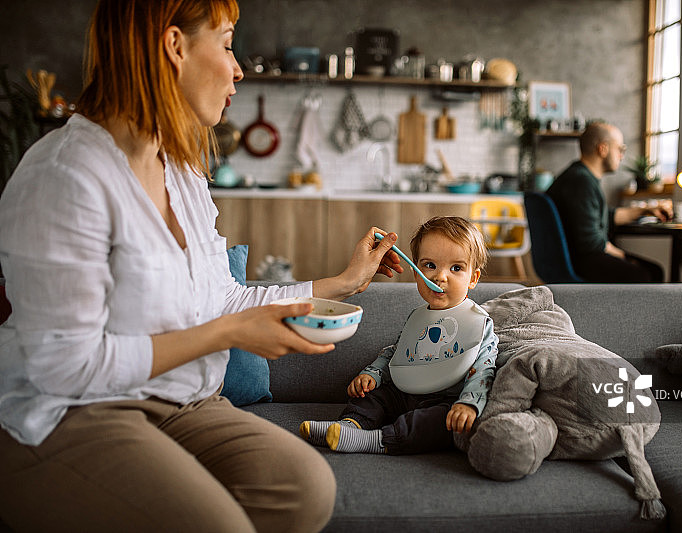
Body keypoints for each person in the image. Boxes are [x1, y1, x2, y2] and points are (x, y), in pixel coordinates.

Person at [0, 1, 403, 532]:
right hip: (71, 413)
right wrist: (227, 334)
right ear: (175, 47)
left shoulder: (182, 172)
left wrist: (342, 283)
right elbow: (65, 366)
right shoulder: (65, 176)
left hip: (183, 402)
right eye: (229, 42)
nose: (238, 68)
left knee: (303, 488)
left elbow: (224, 298)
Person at [300, 217, 498, 455]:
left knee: (442, 421)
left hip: (444, 399)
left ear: (473, 279)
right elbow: (397, 352)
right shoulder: (417, 317)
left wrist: (469, 403)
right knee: (374, 395)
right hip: (404, 393)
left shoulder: (479, 322)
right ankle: (348, 426)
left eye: (456, 268)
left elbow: (485, 368)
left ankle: (375, 441)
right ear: (416, 273)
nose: (439, 277)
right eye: (429, 265)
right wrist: (372, 374)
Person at [546, 121, 668, 283]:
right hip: (581, 262)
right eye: (620, 149)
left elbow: (604, 216)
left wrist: (645, 210)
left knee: (651, 270)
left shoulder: (579, 176)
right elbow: (591, 242)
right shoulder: (581, 182)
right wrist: (624, 256)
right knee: (649, 273)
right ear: (602, 149)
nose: (621, 155)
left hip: (575, 258)